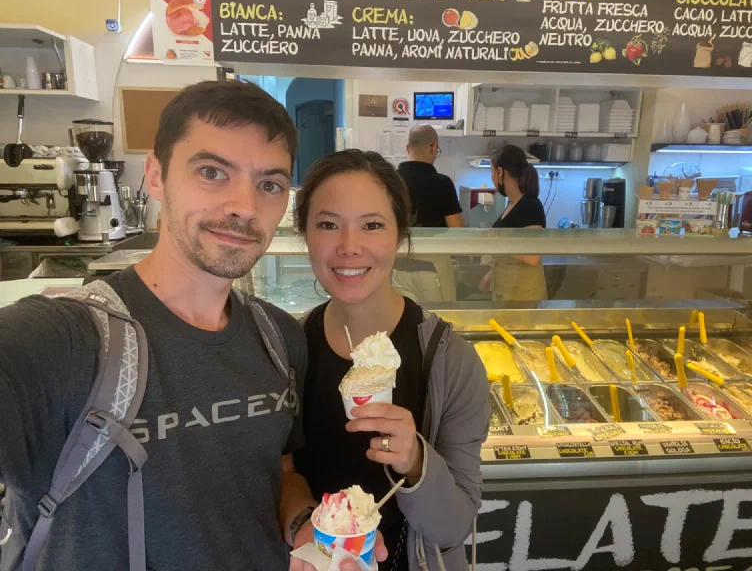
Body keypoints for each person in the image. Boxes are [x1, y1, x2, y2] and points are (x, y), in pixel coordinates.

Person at [0, 80, 323, 570]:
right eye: (212, 172)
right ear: (156, 175)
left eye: (270, 184)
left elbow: (281, 468)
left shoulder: (279, 337)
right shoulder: (66, 340)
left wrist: (306, 528)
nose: (245, 206)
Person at [292, 150, 490, 571]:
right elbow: (277, 474)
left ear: (400, 234)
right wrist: (303, 526)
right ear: (304, 233)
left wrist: (416, 462)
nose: (349, 247)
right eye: (327, 225)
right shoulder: (287, 349)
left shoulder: (450, 360)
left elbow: (455, 527)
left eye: (372, 225)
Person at [395, 125, 463, 302]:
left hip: (397, 265)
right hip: (433, 266)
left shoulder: (391, 182)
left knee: (402, 316)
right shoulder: (442, 183)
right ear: (433, 147)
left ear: (407, 148)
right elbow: (457, 230)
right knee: (440, 317)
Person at [482, 144, 548, 301]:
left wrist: (497, 242)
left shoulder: (530, 205)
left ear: (500, 172)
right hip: (507, 290)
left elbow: (532, 257)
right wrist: (489, 276)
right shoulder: (512, 204)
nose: (491, 177)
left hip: (523, 294)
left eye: (491, 172)